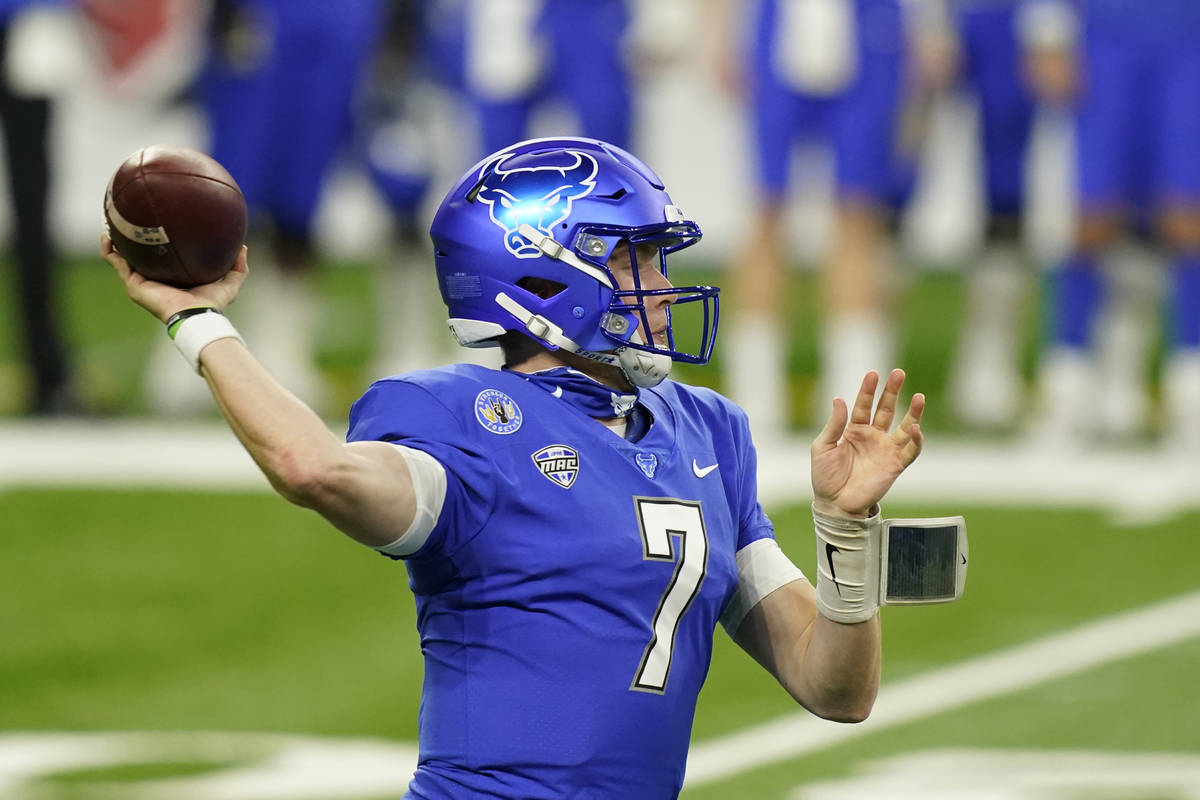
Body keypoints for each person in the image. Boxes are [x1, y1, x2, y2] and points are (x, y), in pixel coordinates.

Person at [100, 137, 926, 798]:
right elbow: (312, 467)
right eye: (635, 259)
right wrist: (199, 325)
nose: (665, 288)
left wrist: (845, 533)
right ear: (542, 269)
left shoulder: (708, 432)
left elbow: (836, 690)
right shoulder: (454, 418)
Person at [713, 0, 920, 435]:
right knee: (767, 211)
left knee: (858, 215)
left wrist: (930, 28)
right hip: (779, 23)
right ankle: (755, 395)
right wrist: (719, 32)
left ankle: (856, 395)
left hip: (869, 27)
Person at [1031, 0, 1200, 448]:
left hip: (1187, 35)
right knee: (1091, 216)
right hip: (1105, 33)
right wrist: (1046, 32)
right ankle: (1067, 387)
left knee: (1188, 217)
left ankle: (1191, 393)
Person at [0, 0, 73, 415]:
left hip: (26, 20)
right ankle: (49, 374)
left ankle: (47, 373)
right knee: (33, 205)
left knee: (33, 206)